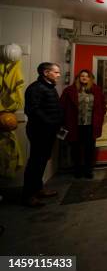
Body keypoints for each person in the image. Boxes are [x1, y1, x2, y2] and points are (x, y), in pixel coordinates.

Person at [22, 62, 63, 207]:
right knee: (35, 163)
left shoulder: (49, 87)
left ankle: (38, 189)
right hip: (39, 131)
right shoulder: (36, 88)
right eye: (56, 72)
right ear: (46, 73)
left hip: (49, 131)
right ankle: (28, 195)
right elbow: (32, 110)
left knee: (41, 161)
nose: (59, 75)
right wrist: (50, 123)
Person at [60, 69, 106, 179]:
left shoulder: (96, 90)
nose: (84, 78)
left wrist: (99, 118)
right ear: (78, 78)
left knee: (89, 149)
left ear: (90, 78)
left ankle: (88, 170)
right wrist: (64, 121)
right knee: (75, 149)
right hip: (74, 125)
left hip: (90, 125)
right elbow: (62, 106)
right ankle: (77, 170)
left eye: (87, 76)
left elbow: (102, 106)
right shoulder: (69, 90)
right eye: (82, 76)